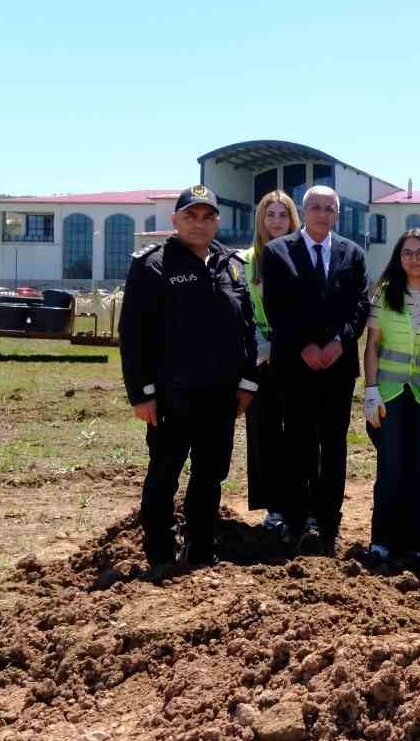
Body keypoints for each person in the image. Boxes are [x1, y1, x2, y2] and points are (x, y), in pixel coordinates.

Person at [120, 186, 257, 570]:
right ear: (175, 220)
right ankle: (160, 554)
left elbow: (246, 327)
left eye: (208, 216)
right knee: (165, 473)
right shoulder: (153, 265)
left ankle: (200, 550)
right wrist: (141, 394)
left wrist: (247, 383)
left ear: (217, 221)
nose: (200, 223)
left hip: (220, 395)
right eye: (191, 216)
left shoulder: (230, 265)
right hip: (171, 396)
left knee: (210, 476)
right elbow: (133, 335)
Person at [260, 185, 371, 556]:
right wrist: (304, 347)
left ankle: (328, 520)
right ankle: (297, 518)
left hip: (339, 366)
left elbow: (359, 305)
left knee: (334, 444)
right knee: (299, 441)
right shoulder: (278, 252)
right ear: (304, 211)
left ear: (337, 214)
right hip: (295, 364)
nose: (323, 214)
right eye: (316, 207)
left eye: (330, 208)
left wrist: (339, 342)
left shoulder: (352, 253)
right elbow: (276, 306)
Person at [362, 229, 420, 563]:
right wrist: (370, 392)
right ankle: (382, 539)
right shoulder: (385, 293)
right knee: (391, 468)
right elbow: (372, 346)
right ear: (399, 258)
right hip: (390, 394)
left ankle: (419, 541)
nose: (414, 258)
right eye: (407, 253)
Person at [240, 189, 299, 534]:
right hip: (261, 358)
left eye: (283, 214)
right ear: (260, 220)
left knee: (301, 434)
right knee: (264, 433)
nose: (276, 221)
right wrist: (260, 345)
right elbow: (242, 309)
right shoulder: (247, 260)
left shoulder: (302, 255)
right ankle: (273, 508)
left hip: (296, 357)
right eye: (270, 214)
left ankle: (301, 504)